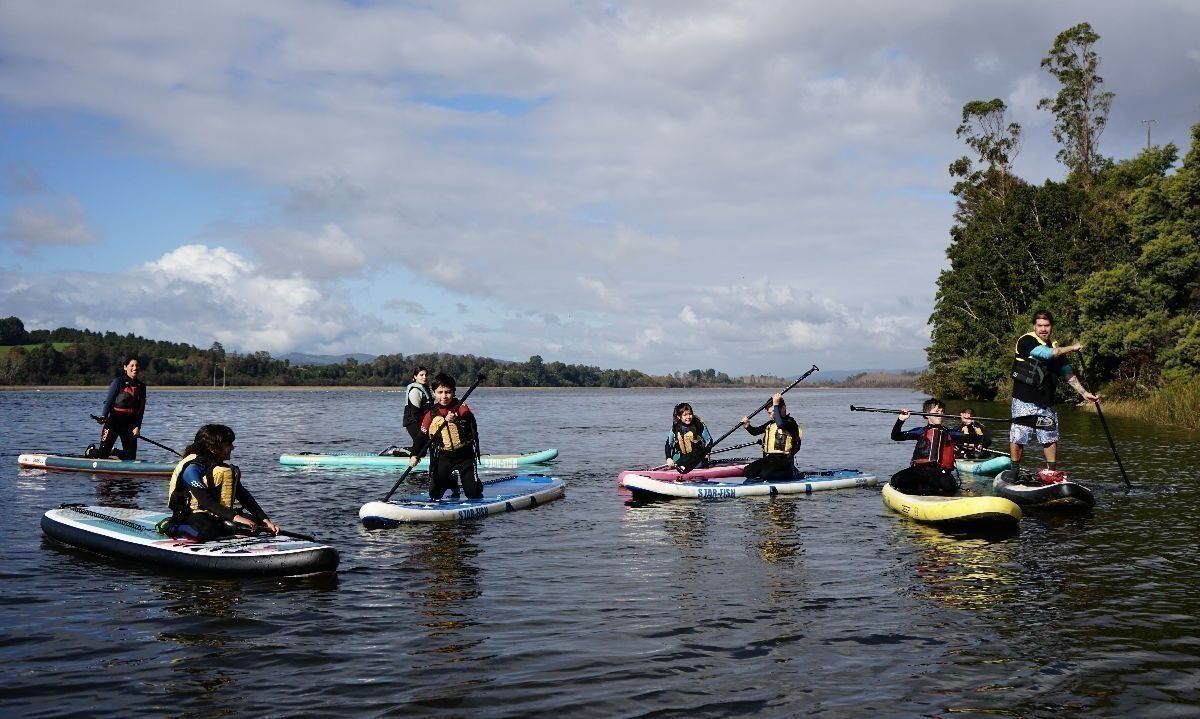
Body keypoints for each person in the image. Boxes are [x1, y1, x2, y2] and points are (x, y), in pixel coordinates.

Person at [1009, 310, 1098, 480]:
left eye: (1047, 325)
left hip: (1046, 401)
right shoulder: (1026, 340)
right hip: (1024, 399)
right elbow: (1046, 354)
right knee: (1019, 435)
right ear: (1034, 326)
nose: (1043, 329)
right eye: (1040, 325)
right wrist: (1072, 348)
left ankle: (1051, 472)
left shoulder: (1056, 348)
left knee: (1049, 435)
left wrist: (1084, 393)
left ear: (1051, 327)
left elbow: (1068, 374)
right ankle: (1014, 470)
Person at [165, 424, 280, 542]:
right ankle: (173, 527)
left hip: (216, 514)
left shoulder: (217, 466)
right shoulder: (191, 469)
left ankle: (226, 530)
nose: (232, 448)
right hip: (189, 514)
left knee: (255, 525)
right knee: (207, 531)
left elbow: (244, 496)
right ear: (213, 448)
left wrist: (265, 520)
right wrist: (236, 517)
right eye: (228, 444)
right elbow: (206, 501)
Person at [421, 373, 483, 501]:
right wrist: (414, 455)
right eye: (440, 392)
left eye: (448, 392)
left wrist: (456, 418)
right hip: (444, 457)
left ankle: (476, 485)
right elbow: (421, 436)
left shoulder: (461, 407)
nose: (444, 396)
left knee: (473, 494)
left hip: (464, 456)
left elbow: (468, 418)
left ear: (453, 392)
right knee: (434, 495)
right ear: (434, 393)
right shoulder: (431, 413)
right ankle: (450, 480)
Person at [890, 398, 968, 496]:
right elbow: (895, 436)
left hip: (940, 472)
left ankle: (930, 490)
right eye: (936, 411)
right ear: (927, 415)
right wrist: (901, 420)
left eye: (942, 411)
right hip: (920, 470)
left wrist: (967, 423)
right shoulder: (920, 431)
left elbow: (974, 439)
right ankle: (917, 489)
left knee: (945, 485)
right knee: (896, 480)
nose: (940, 414)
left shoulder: (951, 433)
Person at [86, 355, 146, 460]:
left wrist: (138, 427)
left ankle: (114, 451)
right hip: (113, 422)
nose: (135, 368)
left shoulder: (142, 387)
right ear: (125, 367)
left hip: (129, 425)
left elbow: (140, 410)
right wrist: (103, 416)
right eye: (131, 365)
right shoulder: (118, 382)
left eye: (137, 365)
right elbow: (109, 401)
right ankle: (90, 451)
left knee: (130, 458)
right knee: (102, 455)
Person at [740, 392, 802, 480]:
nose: (772, 415)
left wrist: (776, 404)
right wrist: (747, 426)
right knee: (747, 471)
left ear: (783, 408)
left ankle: (791, 474)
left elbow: (780, 424)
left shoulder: (790, 423)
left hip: (785, 461)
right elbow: (755, 432)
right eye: (769, 413)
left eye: (774, 411)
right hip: (771, 459)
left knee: (765, 474)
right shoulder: (771, 424)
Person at [381, 366, 434, 465]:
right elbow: (416, 412)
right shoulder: (415, 390)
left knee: (422, 450)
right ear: (415, 377)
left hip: (421, 422)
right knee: (420, 450)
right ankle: (393, 450)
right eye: (421, 375)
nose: (424, 377)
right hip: (413, 422)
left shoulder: (425, 389)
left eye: (426, 375)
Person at [664, 402, 713, 470]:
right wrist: (668, 458)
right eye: (685, 415)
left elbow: (709, 441)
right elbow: (669, 444)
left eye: (690, 414)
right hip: (682, 457)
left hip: (698, 457)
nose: (688, 417)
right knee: (675, 458)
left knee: (700, 463)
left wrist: (706, 451)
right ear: (679, 417)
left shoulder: (698, 425)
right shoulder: (676, 427)